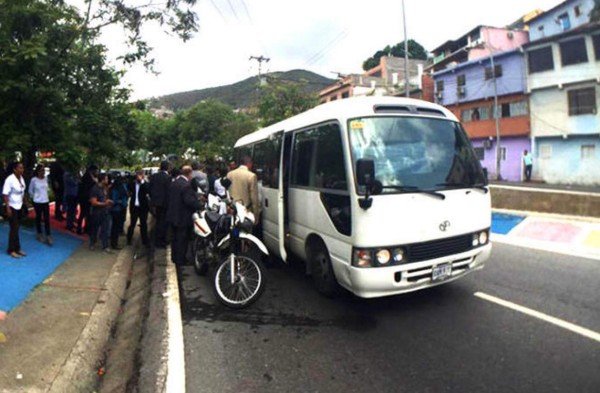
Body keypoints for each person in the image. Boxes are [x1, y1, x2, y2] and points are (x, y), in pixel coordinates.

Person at [166, 165, 201, 265]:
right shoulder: (186, 185)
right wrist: (199, 205)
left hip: (173, 215)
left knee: (175, 239)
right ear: (189, 174)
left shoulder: (174, 183)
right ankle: (181, 259)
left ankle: (174, 257)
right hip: (182, 217)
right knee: (182, 239)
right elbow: (189, 201)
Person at [2, 162, 27, 258]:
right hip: (12, 206)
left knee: (17, 228)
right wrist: (8, 208)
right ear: (14, 169)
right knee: (14, 228)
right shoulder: (10, 179)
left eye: (22, 168)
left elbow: (22, 191)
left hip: (19, 205)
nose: (22, 170)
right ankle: (11, 249)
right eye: (20, 168)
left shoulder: (21, 178)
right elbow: (5, 194)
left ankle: (17, 248)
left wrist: (25, 202)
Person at [227, 155, 260, 221]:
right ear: (249, 163)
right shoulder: (251, 176)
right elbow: (254, 198)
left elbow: (227, 192)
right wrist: (256, 214)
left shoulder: (229, 174)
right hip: (246, 211)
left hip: (232, 209)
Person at [89, 173, 113, 253]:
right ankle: (92, 243)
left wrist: (107, 202)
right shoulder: (95, 189)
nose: (107, 180)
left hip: (105, 211)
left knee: (105, 229)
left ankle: (105, 246)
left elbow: (104, 198)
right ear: (102, 179)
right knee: (95, 229)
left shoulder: (104, 188)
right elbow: (94, 202)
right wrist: (104, 204)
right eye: (106, 179)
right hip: (97, 212)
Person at [149, 160, 171, 248]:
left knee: (157, 222)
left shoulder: (154, 177)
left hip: (155, 203)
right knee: (163, 223)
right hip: (164, 204)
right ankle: (161, 241)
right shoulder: (168, 178)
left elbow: (150, 189)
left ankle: (155, 240)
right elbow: (169, 192)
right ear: (167, 168)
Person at [29, 164, 53, 245]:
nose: (43, 172)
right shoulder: (34, 180)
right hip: (37, 202)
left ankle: (48, 235)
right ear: (38, 171)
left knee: (47, 219)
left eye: (44, 170)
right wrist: (34, 198)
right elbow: (30, 190)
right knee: (38, 218)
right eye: (42, 170)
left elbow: (47, 188)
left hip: (45, 201)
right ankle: (39, 234)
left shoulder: (46, 179)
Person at [127, 169, 150, 246]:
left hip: (143, 207)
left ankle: (145, 241)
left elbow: (147, 190)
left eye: (140, 175)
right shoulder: (132, 184)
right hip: (134, 206)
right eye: (138, 175)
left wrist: (142, 182)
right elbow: (128, 188)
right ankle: (129, 239)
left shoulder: (145, 184)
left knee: (143, 224)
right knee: (132, 223)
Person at [78, 165, 98, 234]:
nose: (96, 172)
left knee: (85, 214)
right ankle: (81, 228)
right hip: (85, 198)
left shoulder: (88, 177)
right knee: (84, 214)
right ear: (92, 170)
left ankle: (84, 228)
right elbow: (86, 189)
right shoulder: (88, 178)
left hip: (85, 198)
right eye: (96, 170)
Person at [109, 174, 128, 249]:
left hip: (114, 209)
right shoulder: (120, 188)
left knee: (113, 227)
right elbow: (116, 200)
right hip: (118, 209)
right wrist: (122, 203)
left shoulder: (113, 188)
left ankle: (113, 242)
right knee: (115, 228)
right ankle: (114, 244)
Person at [63, 168, 79, 232]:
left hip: (75, 194)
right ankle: (69, 225)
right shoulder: (67, 174)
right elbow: (75, 182)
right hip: (70, 194)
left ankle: (71, 223)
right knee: (70, 210)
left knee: (73, 210)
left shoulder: (72, 174)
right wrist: (77, 177)